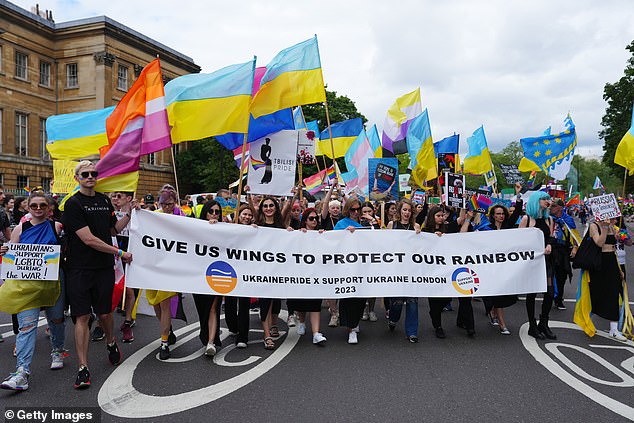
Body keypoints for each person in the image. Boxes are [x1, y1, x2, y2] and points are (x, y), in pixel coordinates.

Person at [61, 161, 133, 389]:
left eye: (93, 173)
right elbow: (89, 239)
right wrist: (120, 252)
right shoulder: (72, 204)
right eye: (85, 174)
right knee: (81, 317)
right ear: (77, 178)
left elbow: (113, 230)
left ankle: (111, 341)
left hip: (103, 268)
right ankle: (83, 367)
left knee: (105, 313)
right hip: (79, 268)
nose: (90, 176)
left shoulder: (103, 200)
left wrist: (130, 214)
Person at [0, 193, 65, 391]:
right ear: (28, 208)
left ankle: (57, 350)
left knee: (56, 319)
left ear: (49, 208)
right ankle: (21, 373)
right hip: (27, 285)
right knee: (26, 326)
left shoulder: (57, 227)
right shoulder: (20, 228)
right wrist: (5, 251)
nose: (38, 208)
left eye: (42, 205)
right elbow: (13, 251)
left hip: (52, 283)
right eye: (34, 205)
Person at [423, 206, 472, 338]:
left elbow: (461, 219)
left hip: (446, 271)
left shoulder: (448, 228)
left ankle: (436, 314)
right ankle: (437, 325)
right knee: (434, 302)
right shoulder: (425, 231)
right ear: (432, 217)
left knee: (447, 297)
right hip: (432, 272)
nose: (441, 218)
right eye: (438, 216)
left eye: (442, 215)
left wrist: (462, 204)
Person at [148, 189, 183, 360]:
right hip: (153, 266)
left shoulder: (181, 217)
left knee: (165, 304)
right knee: (155, 304)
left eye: (169, 203)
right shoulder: (154, 216)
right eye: (163, 203)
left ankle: (164, 343)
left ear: (175, 202)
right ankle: (168, 329)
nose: (166, 207)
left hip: (171, 267)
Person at [519, 191, 556, 340]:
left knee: (549, 292)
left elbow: (551, 237)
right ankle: (532, 325)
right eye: (544, 199)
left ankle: (544, 323)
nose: (547, 201)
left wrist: (549, 245)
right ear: (536, 201)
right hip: (532, 260)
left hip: (547, 260)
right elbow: (518, 240)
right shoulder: (527, 219)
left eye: (548, 199)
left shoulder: (549, 220)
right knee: (532, 293)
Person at [287, 208, 327, 345]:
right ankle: (302, 322)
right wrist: (295, 235)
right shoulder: (299, 234)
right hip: (301, 274)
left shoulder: (321, 234)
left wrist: (324, 236)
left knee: (315, 304)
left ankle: (316, 333)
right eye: (311, 218)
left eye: (316, 218)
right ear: (305, 221)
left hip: (316, 274)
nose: (314, 220)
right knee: (301, 302)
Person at [587, 218, 628, 341]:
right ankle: (587, 321)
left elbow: (614, 246)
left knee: (614, 293)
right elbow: (599, 243)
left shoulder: (611, 226)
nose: (614, 219)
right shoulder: (594, 226)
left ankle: (614, 329)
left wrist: (616, 233)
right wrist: (605, 227)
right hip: (600, 263)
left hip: (612, 261)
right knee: (597, 293)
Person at [386, 199, 421, 342]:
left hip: (412, 269)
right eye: (404, 210)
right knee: (397, 301)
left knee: (413, 301)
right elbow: (386, 244)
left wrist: (420, 234)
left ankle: (412, 332)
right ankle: (393, 319)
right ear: (400, 211)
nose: (407, 213)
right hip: (397, 269)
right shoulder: (392, 225)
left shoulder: (415, 226)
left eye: (409, 210)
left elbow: (422, 246)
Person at [193, 200, 224, 357]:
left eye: (217, 212)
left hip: (216, 273)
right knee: (202, 310)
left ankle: (211, 341)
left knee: (213, 308)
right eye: (211, 211)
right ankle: (206, 336)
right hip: (198, 275)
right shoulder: (195, 228)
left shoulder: (225, 229)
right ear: (205, 212)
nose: (214, 214)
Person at [334, 197, 366, 344]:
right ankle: (351, 329)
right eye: (352, 209)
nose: (355, 212)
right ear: (347, 210)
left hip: (362, 266)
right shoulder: (341, 224)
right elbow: (333, 241)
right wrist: (345, 233)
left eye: (358, 209)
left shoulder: (365, 222)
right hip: (346, 266)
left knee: (361, 297)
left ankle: (355, 321)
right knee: (348, 297)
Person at [255, 196, 286, 350]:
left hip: (277, 270)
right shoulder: (257, 226)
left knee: (275, 300)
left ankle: (273, 324)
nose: (268, 208)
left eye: (271, 205)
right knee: (265, 303)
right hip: (262, 270)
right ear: (261, 209)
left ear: (275, 208)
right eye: (265, 206)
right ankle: (267, 335)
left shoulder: (281, 226)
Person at [224, 205, 255, 349]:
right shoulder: (230, 229)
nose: (247, 217)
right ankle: (233, 327)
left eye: (249, 215)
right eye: (244, 214)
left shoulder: (254, 230)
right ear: (239, 214)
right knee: (230, 304)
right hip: (231, 271)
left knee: (244, 305)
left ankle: (243, 336)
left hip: (246, 272)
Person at [111, 191, 136, 343]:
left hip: (129, 254)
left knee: (129, 289)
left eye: (119, 196)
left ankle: (128, 321)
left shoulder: (137, 213)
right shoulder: (108, 213)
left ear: (128, 198)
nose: (115, 198)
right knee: (109, 288)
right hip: (112, 253)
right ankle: (102, 323)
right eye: (113, 196)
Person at [549, 198, 579, 310]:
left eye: (553, 206)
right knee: (550, 274)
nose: (551, 208)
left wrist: (575, 247)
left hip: (562, 250)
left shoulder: (568, 219)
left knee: (561, 275)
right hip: (551, 248)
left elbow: (575, 235)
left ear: (560, 208)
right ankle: (551, 295)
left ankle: (559, 299)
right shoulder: (547, 218)